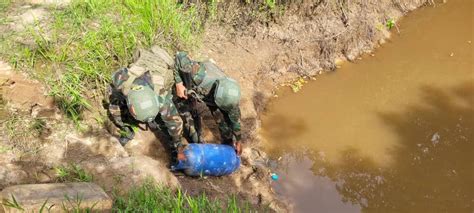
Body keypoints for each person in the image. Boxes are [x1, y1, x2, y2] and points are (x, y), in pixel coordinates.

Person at [107, 47, 189, 162]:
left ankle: (172, 147)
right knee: (114, 107)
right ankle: (127, 131)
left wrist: (178, 147)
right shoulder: (122, 80)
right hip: (138, 78)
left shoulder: (161, 97)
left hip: (159, 72)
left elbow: (176, 124)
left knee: (166, 122)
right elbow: (112, 87)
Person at [173, 52, 243, 155]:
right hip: (189, 89)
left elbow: (235, 120)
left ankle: (228, 144)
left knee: (222, 119)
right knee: (188, 114)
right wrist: (178, 83)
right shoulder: (197, 74)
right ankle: (195, 139)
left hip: (210, 96)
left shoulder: (230, 95)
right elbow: (180, 56)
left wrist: (238, 139)